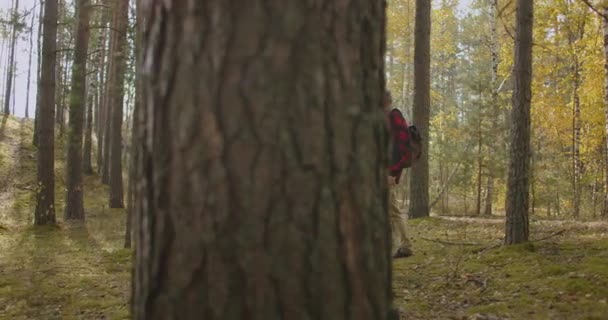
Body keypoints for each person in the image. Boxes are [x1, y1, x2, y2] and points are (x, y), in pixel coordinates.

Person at [384, 90, 414, 259]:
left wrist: (393, 172)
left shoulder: (394, 116)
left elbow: (403, 148)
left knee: (393, 210)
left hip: (388, 172)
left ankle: (405, 245)